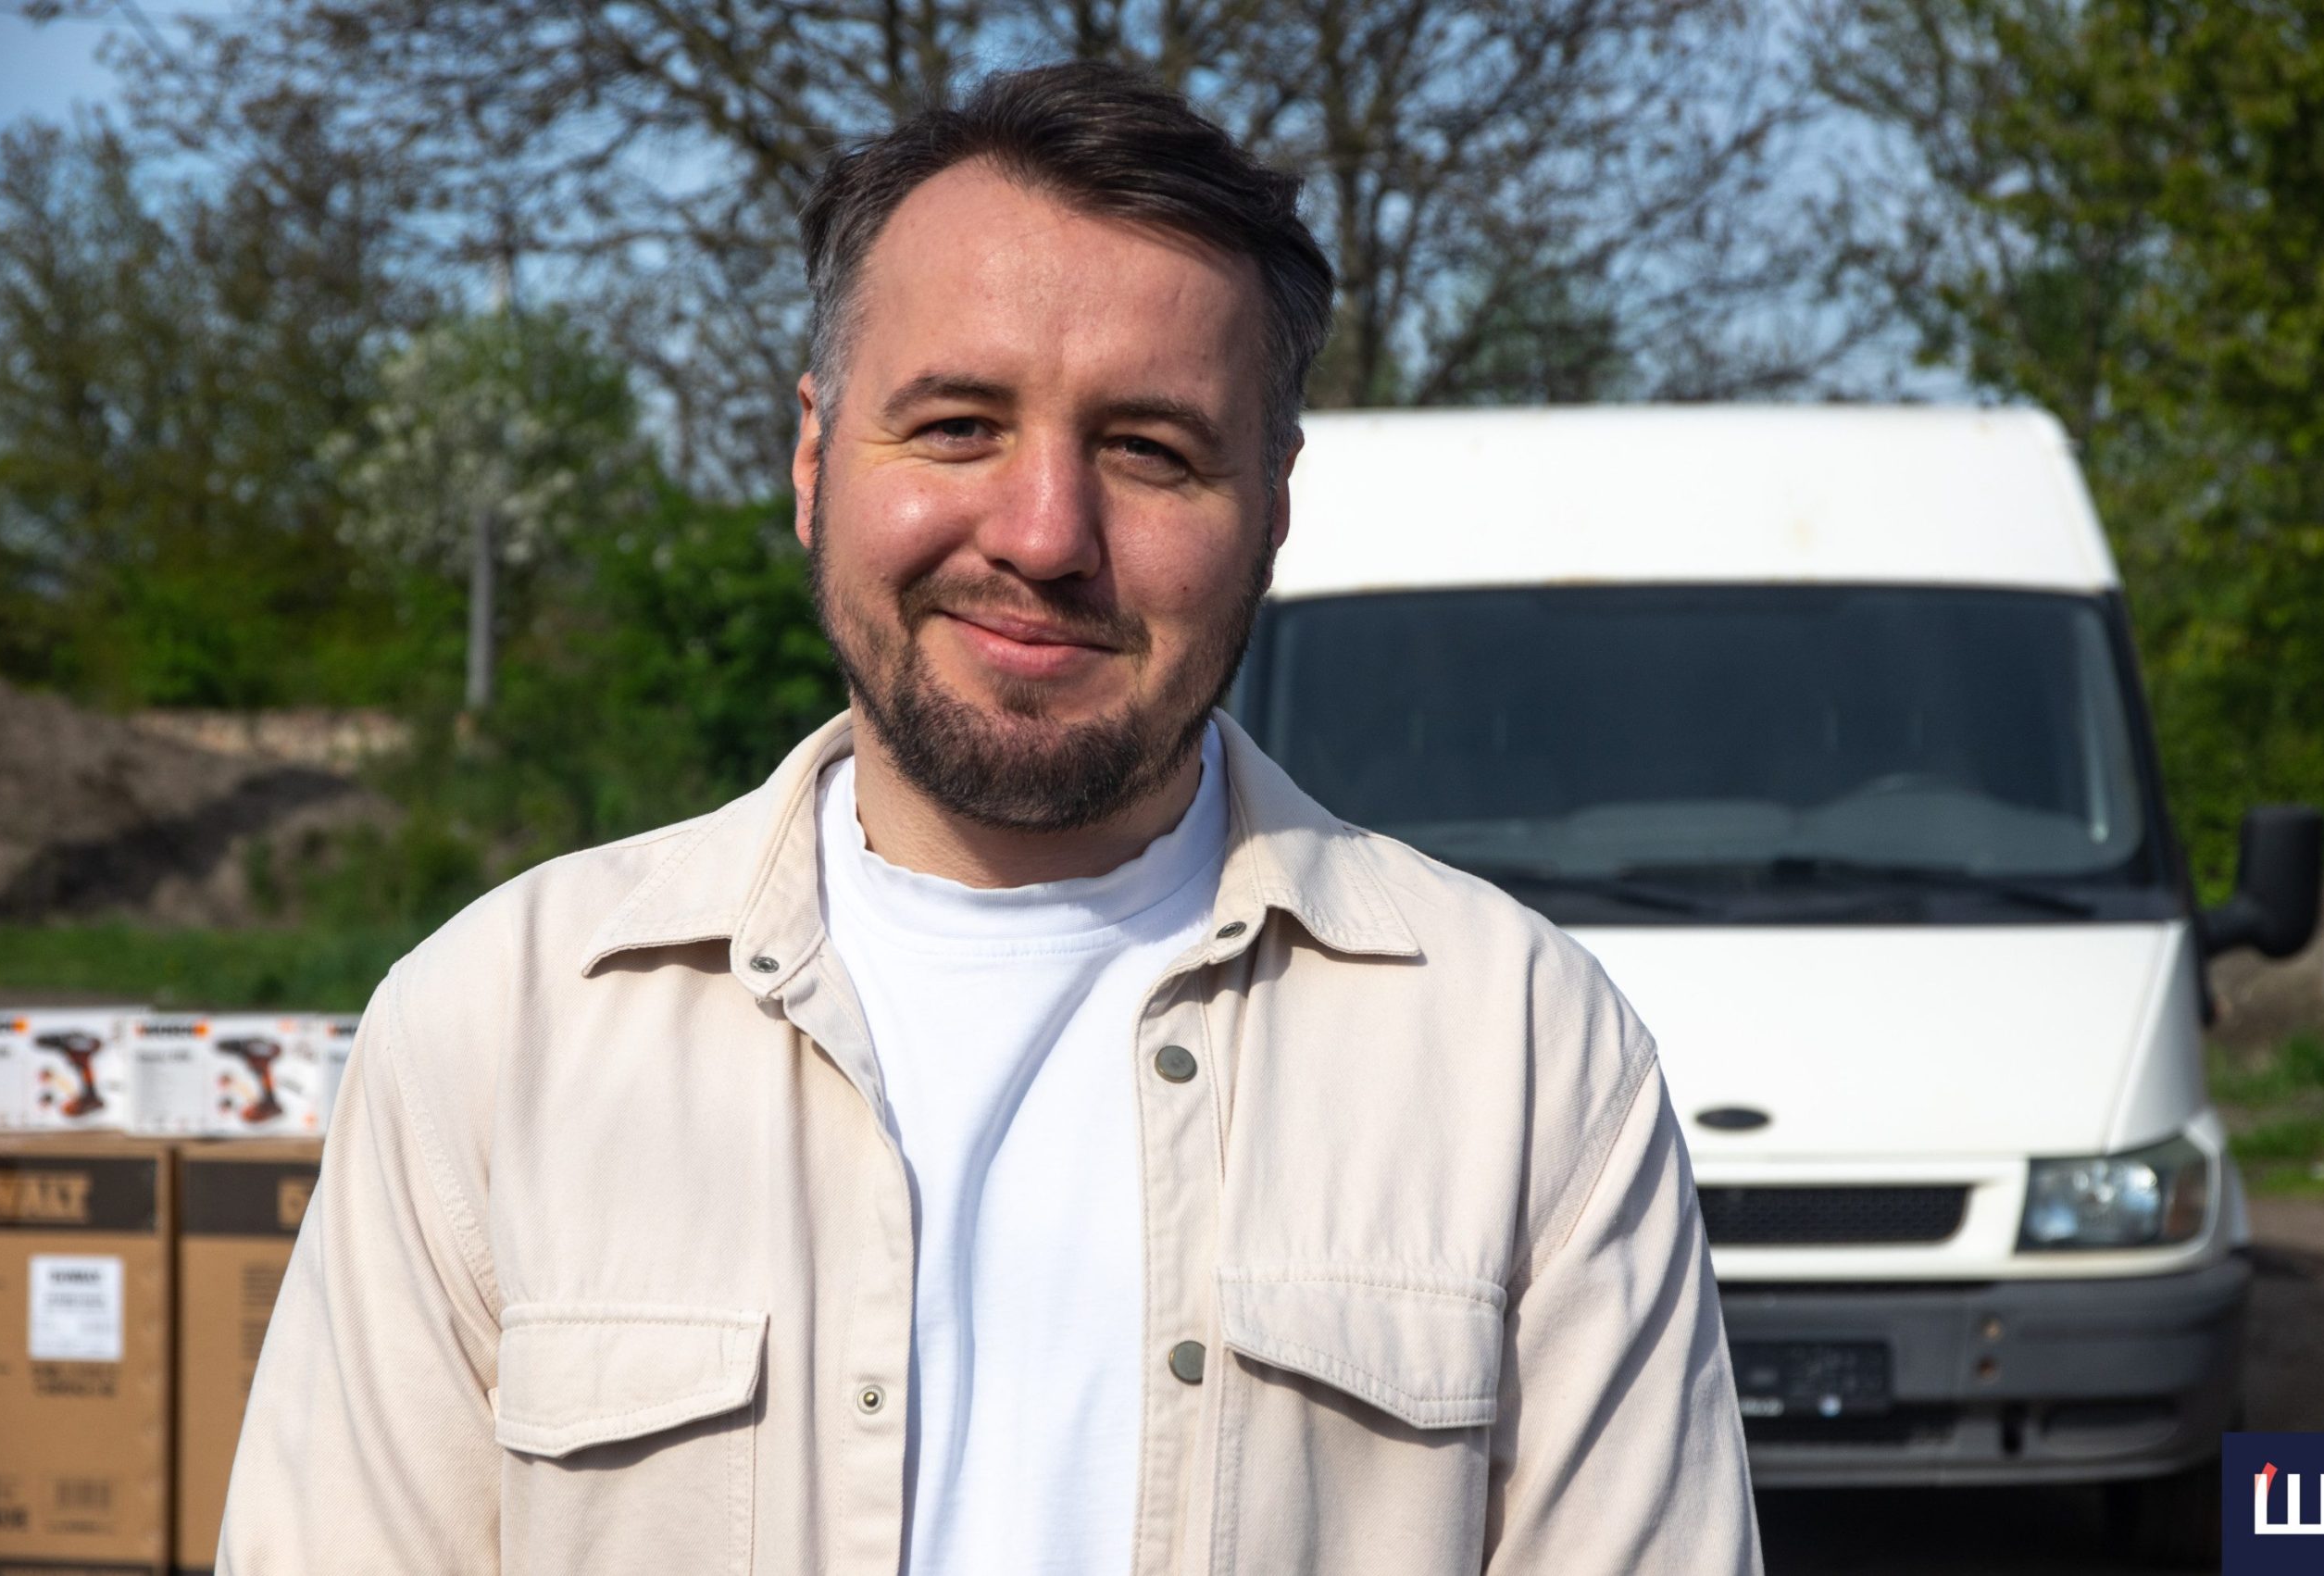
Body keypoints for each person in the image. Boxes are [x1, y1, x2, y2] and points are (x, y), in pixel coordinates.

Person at [219, 60, 1760, 1575]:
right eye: (958, 424)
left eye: (1149, 450)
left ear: (1275, 506)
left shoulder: (1524, 1057)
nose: (1043, 535)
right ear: (814, 458)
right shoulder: (492, 1036)